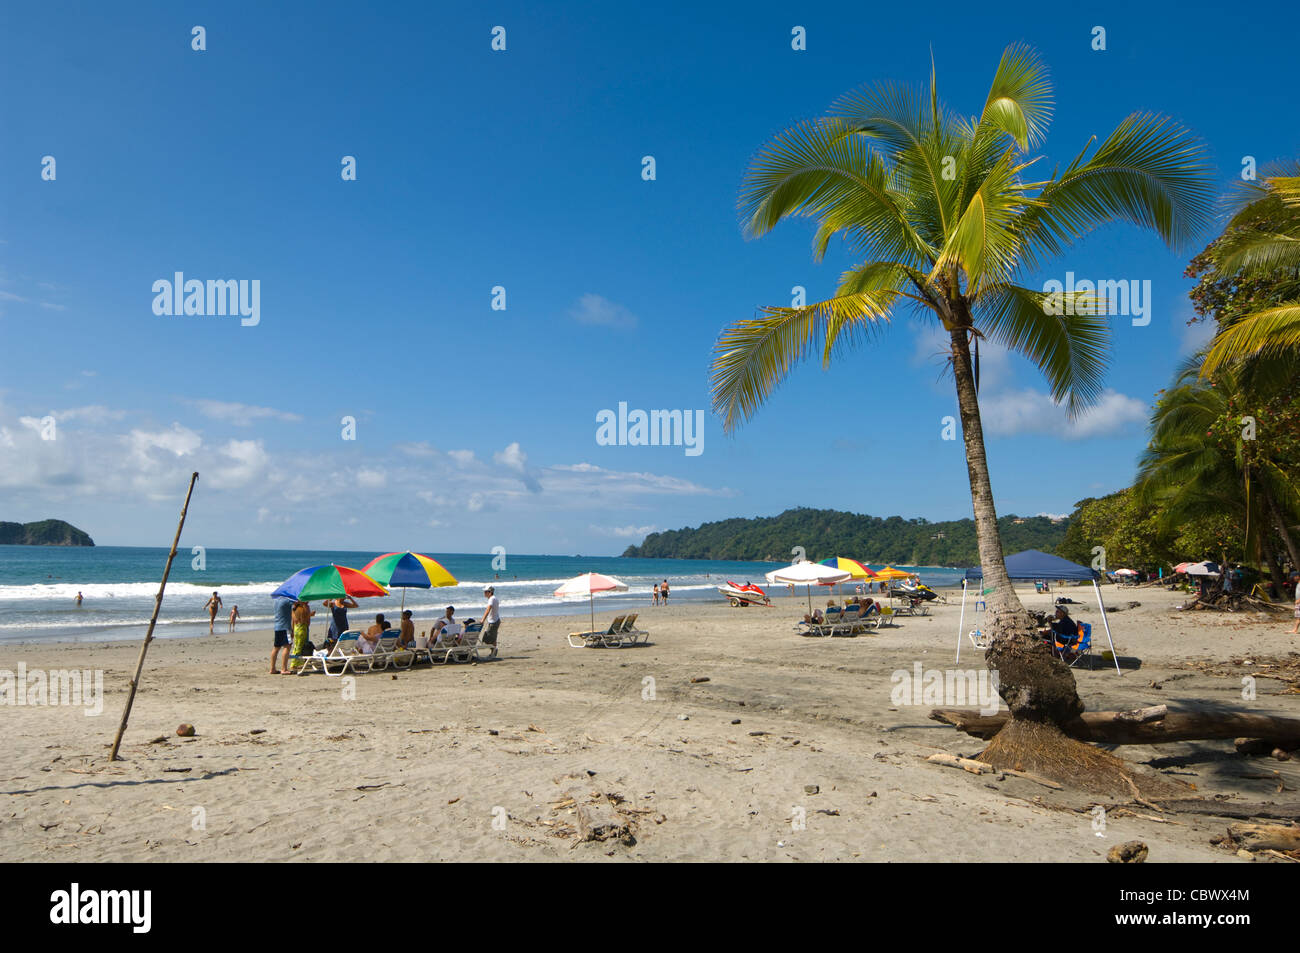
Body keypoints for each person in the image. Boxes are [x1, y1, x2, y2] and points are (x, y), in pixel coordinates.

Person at [272, 595, 294, 674]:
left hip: (277, 627)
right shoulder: (287, 601)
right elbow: (299, 601)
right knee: (287, 646)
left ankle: (272, 668)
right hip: (285, 627)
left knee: (276, 648)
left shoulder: (276, 601)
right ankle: (284, 669)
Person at [290, 601, 314, 671]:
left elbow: (294, 621)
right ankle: (294, 664)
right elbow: (307, 621)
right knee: (301, 646)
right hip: (303, 629)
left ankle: (296, 662)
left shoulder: (294, 609)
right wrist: (309, 615)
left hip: (296, 629)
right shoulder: (305, 607)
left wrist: (292, 631)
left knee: (296, 646)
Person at [480, 586, 501, 658]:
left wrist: (483, 619)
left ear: (490, 592)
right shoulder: (494, 598)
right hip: (495, 620)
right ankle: (493, 651)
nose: (484, 593)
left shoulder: (491, 599)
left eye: (485, 592)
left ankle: (494, 650)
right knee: (493, 638)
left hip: (494, 622)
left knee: (487, 638)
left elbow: (488, 610)